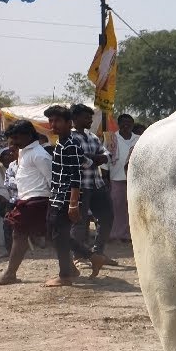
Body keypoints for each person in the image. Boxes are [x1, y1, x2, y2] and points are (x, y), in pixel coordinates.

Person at [44, 105, 103, 286]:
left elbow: (75, 176)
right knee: (54, 234)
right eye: (51, 121)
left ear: (69, 123)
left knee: (58, 235)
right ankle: (91, 257)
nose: (53, 125)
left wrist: (73, 203)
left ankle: (65, 275)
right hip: (57, 196)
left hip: (66, 198)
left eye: (58, 121)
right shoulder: (61, 144)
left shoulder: (70, 145)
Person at [0, 121, 54, 285]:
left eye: (17, 138)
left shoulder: (39, 155)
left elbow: (52, 181)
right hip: (26, 199)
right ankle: (87, 258)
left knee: (19, 234)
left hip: (37, 200)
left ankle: (10, 274)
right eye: (12, 138)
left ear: (28, 135)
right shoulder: (25, 153)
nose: (14, 142)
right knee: (55, 236)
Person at [68, 103, 114, 263]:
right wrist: (95, 158)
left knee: (107, 218)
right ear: (75, 118)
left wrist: (95, 158)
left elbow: (106, 154)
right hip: (79, 186)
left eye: (90, 117)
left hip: (97, 183)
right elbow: (78, 159)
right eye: (86, 117)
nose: (90, 120)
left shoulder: (92, 136)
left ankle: (98, 252)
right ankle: (79, 256)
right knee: (79, 222)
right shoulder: (69, 138)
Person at [109, 112, 137, 242]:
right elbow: (106, 160)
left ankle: (130, 235)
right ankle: (116, 234)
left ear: (132, 125)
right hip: (116, 177)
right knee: (117, 208)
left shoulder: (138, 138)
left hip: (134, 180)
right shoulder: (111, 138)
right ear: (118, 124)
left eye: (129, 123)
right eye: (123, 123)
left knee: (132, 208)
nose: (126, 125)